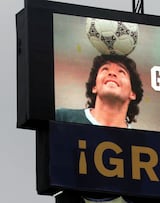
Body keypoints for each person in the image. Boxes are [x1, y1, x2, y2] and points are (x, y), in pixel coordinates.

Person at [55, 54, 144, 203]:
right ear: (94, 87)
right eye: (105, 69)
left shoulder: (141, 145)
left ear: (132, 93)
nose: (112, 73)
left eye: (121, 72)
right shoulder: (62, 119)